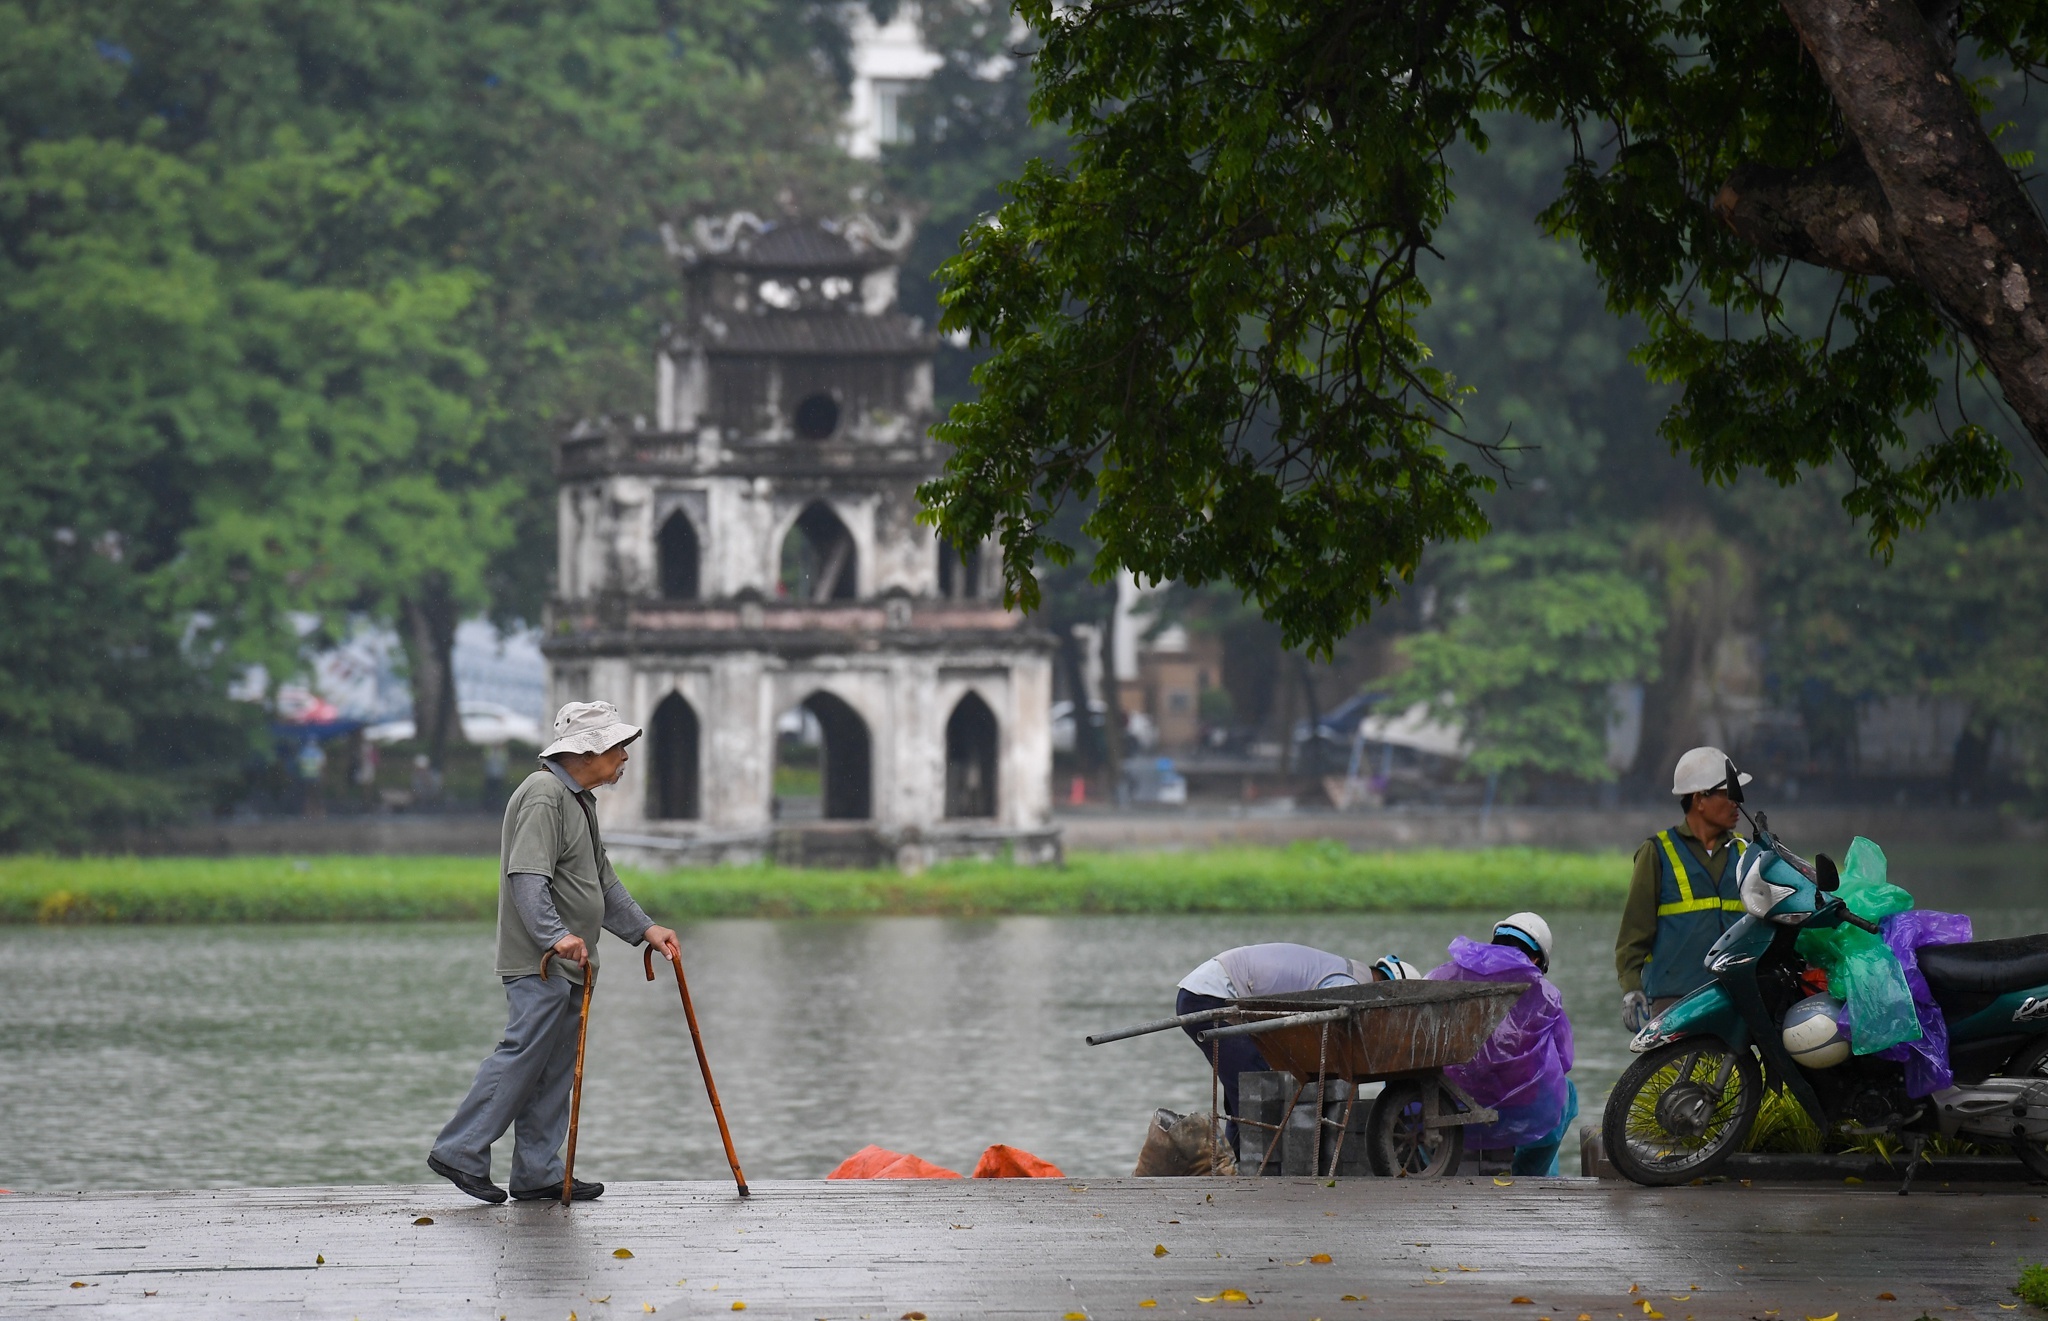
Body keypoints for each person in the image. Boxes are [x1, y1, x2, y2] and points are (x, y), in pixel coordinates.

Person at [427, 700, 683, 1205]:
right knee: (524, 1054)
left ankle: (539, 1172)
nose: (624, 758)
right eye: (617, 749)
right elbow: (527, 877)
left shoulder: (579, 801)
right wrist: (553, 936)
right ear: (587, 751)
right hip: (542, 962)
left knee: (554, 1065)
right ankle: (460, 1150)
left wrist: (645, 930)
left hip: (573, 964)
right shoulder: (545, 795)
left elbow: (603, 882)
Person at [1175, 943, 1417, 1126]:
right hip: (1208, 996)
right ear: (1386, 986)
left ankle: (1242, 1163)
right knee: (1256, 1084)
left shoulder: (1346, 970)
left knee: (1245, 1087)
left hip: (1206, 992)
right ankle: (1252, 1168)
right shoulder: (1348, 981)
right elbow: (1325, 1022)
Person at [1427, 913, 1577, 1176]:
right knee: (1566, 1093)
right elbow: (1563, 1059)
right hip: (1515, 1108)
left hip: (1447, 1097)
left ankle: (1431, 1164)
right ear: (1536, 959)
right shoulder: (1545, 994)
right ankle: (1528, 1174)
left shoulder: (1448, 974)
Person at [1616, 746, 1752, 1032]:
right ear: (1699, 799)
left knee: (1736, 1076)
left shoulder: (1747, 852)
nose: (1736, 803)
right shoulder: (1657, 852)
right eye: (1727, 794)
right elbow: (1634, 931)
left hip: (1733, 996)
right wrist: (1631, 987)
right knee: (1676, 1077)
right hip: (1673, 1000)